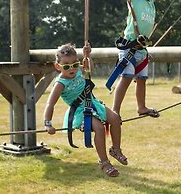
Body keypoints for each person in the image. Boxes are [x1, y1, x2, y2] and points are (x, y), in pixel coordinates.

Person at [43, 43, 128, 177]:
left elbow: (90, 67)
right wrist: (48, 123)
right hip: (80, 112)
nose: (72, 68)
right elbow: (50, 104)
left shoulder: (79, 71)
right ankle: (104, 162)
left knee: (115, 119)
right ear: (57, 66)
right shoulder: (60, 84)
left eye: (75, 64)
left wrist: (87, 55)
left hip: (93, 103)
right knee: (99, 128)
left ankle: (115, 149)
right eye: (66, 66)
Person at [112, 0, 163, 118]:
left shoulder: (151, 3)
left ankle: (141, 107)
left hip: (142, 49)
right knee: (126, 77)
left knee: (141, 79)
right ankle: (115, 110)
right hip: (129, 47)